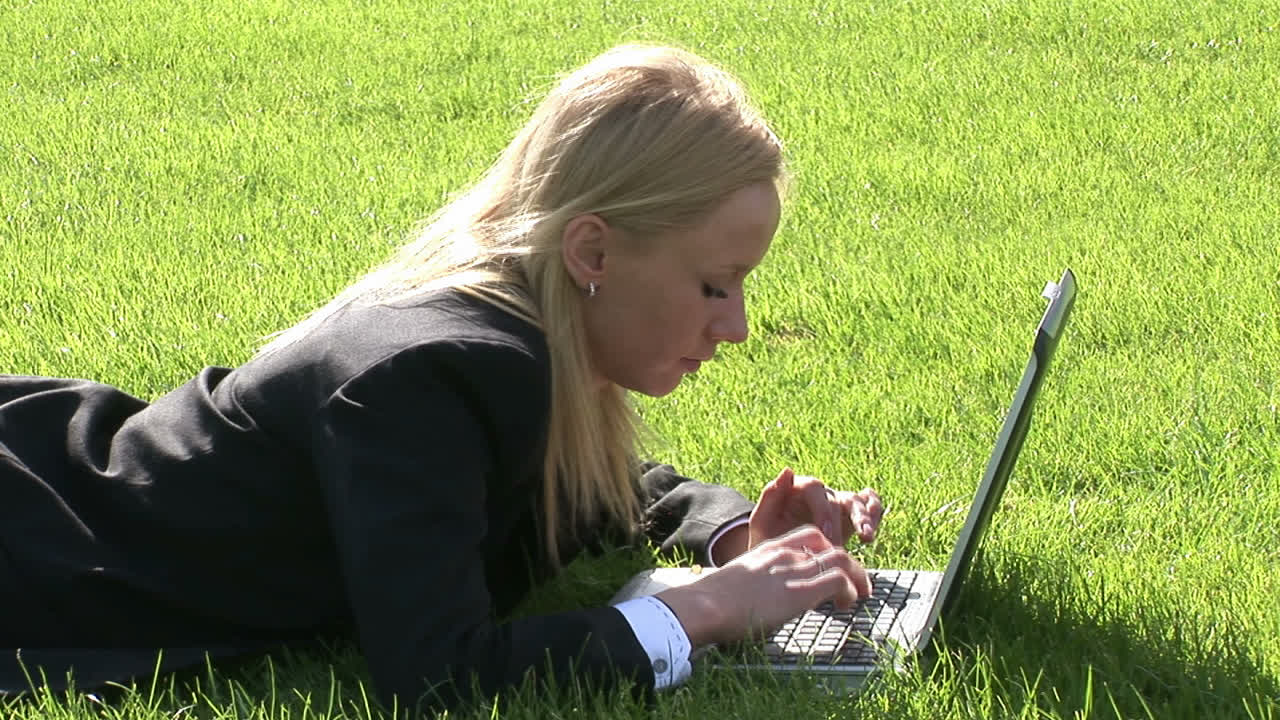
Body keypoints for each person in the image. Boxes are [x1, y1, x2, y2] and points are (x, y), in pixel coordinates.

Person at [0, 44, 884, 712]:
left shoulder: (519, 338)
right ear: (593, 250)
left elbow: (593, 491)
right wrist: (705, 612)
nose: (734, 327)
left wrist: (732, 533)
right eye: (712, 285)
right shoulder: (428, 377)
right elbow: (437, 678)